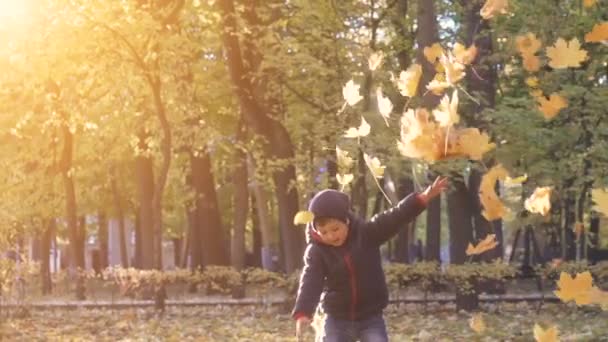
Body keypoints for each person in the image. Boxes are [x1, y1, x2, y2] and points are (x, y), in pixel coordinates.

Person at [292, 177, 448, 342]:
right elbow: (310, 281)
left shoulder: (367, 234)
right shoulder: (317, 251)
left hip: (370, 317)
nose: (330, 236)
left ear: (346, 220)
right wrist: (303, 312)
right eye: (323, 232)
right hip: (337, 318)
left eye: (335, 229)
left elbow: (395, 217)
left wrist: (421, 199)